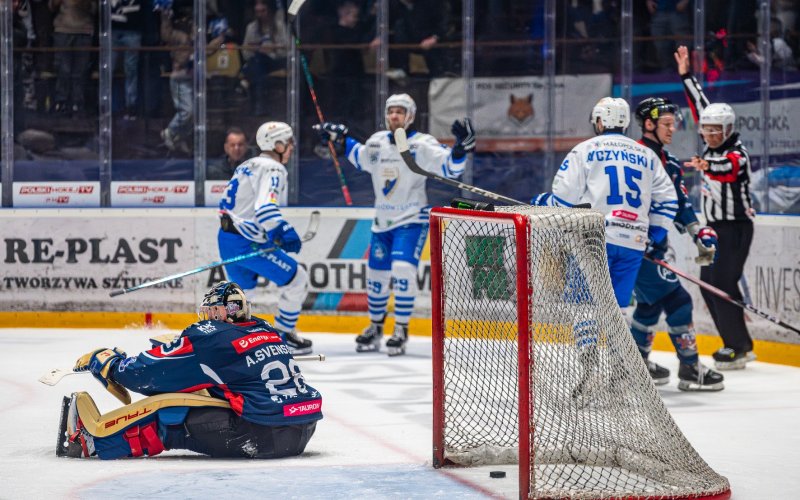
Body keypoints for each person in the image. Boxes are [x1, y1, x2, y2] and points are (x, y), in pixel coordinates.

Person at [57, 281, 322, 459]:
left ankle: (93, 442)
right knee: (210, 389)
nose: (207, 317)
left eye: (211, 311)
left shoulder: (210, 336)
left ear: (219, 312)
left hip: (260, 434)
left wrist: (109, 363)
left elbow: (147, 375)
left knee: (169, 413)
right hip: (303, 428)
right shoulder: (265, 328)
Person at [313, 94, 475, 356]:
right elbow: (359, 155)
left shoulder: (422, 144)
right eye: (391, 111)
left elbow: (450, 167)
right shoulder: (377, 143)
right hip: (382, 222)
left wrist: (460, 148)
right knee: (376, 277)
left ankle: (400, 328)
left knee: (402, 270)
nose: (394, 116)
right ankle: (376, 327)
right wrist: (338, 139)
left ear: (410, 115)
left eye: (400, 111)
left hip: (411, 219)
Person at [630, 97, 724, 391]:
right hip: (634, 248)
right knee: (677, 301)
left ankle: (637, 367)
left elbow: (681, 205)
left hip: (648, 249)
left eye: (674, 124)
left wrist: (699, 233)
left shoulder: (668, 163)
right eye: (666, 124)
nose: (672, 130)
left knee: (648, 305)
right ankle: (690, 367)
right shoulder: (634, 157)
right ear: (648, 124)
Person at [675, 45, 756, 370]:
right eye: (705, 129)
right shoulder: (712, 141)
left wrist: (703, 166)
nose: (708, 134)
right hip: (712, 231)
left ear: (727, 130)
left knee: (722, 283)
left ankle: (739, 346)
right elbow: (701, 105)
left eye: (714, 130)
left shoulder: (737, 153)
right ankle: (736, 344)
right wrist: (686, 76)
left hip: (735, 229)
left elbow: (729, 168)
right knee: (708, 283)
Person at [217, 121, 313, 355]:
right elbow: (265, 208)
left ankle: (225, 342)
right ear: (277, 144)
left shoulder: (247, 165)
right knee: (297, 278)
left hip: (227, 237)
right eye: (288, 143)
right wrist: (283, 230)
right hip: (247, 241)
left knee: (242, 293)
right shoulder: (273, 168)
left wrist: (269, 233)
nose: (291, 148)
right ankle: (284, 337)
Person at [49, 0, 96, 117]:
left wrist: (84, 4)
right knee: (63, 69)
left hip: (84, 30)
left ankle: (78, 103)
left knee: (80, 71)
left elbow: (95, 9)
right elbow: (51, 7)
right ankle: (61, 102)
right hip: (63, 30)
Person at [240, 0, 288, 115]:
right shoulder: (251, 28)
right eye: (257, 12)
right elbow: (245, 52)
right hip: (258, 62)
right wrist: (258, 49)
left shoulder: (280, 26)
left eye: (263, 11)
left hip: (277, 61)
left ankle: (246, 80)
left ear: (269, 11)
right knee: (258, 60)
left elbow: (287, 50)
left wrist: (273, 49)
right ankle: (259, 107)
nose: (260, 14)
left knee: (256, 64)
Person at [158, 3, 193, 154]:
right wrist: (165, 15)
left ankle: (180, 138)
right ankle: (170, 132)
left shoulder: (197, 33)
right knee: (187, 111)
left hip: (195, 77)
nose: (186, 20)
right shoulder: (177, 35)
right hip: (180, 77)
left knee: (194, 115)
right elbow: (166, 35)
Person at [111, 0, 144, 120]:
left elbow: (140, 8)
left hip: (133, 30)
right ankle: (106, 106)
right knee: (108, 68)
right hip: (112, 30)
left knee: (131, 69)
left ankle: (131, 106)